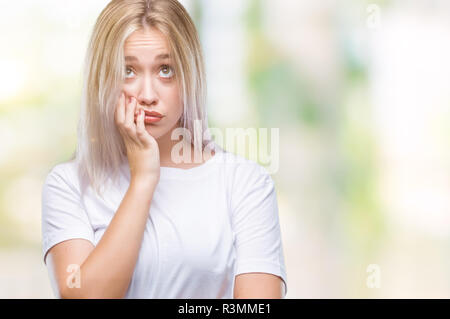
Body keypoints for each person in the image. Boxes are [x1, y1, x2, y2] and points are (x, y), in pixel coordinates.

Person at [41, 0, 287, 299]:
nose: (147, 95)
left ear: (189, 76)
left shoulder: (244, 183)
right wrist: (143, 179)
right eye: (128, 70)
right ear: (102, 78)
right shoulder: (68, 185)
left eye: (165, 70)